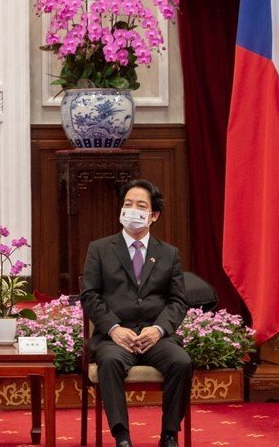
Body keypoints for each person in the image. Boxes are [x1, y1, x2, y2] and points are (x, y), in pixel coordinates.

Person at [81, 180, 191, 447]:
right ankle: (122, 436)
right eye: (127, 204)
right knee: (109, 363)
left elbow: (178, 300)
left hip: (156, 337)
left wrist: (158, 330)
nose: (132, 210)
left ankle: (169, 434)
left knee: (182, 362)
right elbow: (90, 295)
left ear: (153, 216)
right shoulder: (100, 249)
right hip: (116, 337)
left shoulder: (169, 254)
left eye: (140, 206)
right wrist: (114, 329)